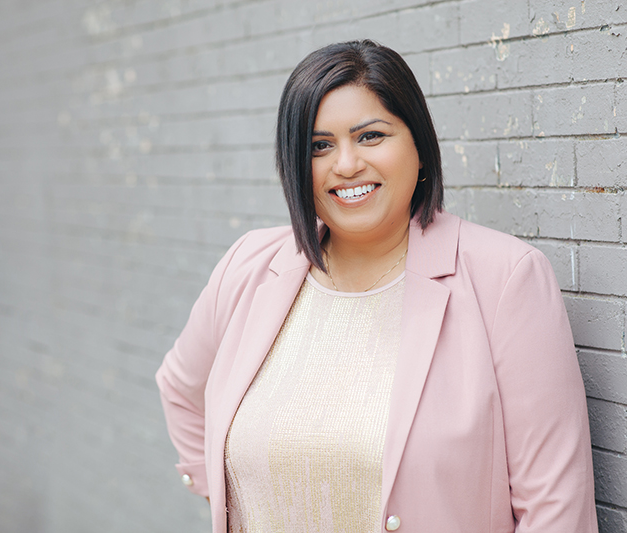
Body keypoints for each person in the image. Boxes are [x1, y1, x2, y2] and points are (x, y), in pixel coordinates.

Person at [156, 40, 597, 533]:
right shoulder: (249, 267)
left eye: (370, 136)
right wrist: (226, 494)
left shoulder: (506, 279)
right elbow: (179, 386)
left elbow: (556, 506)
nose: (345, 165)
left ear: (419, 147)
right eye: (319, 146)